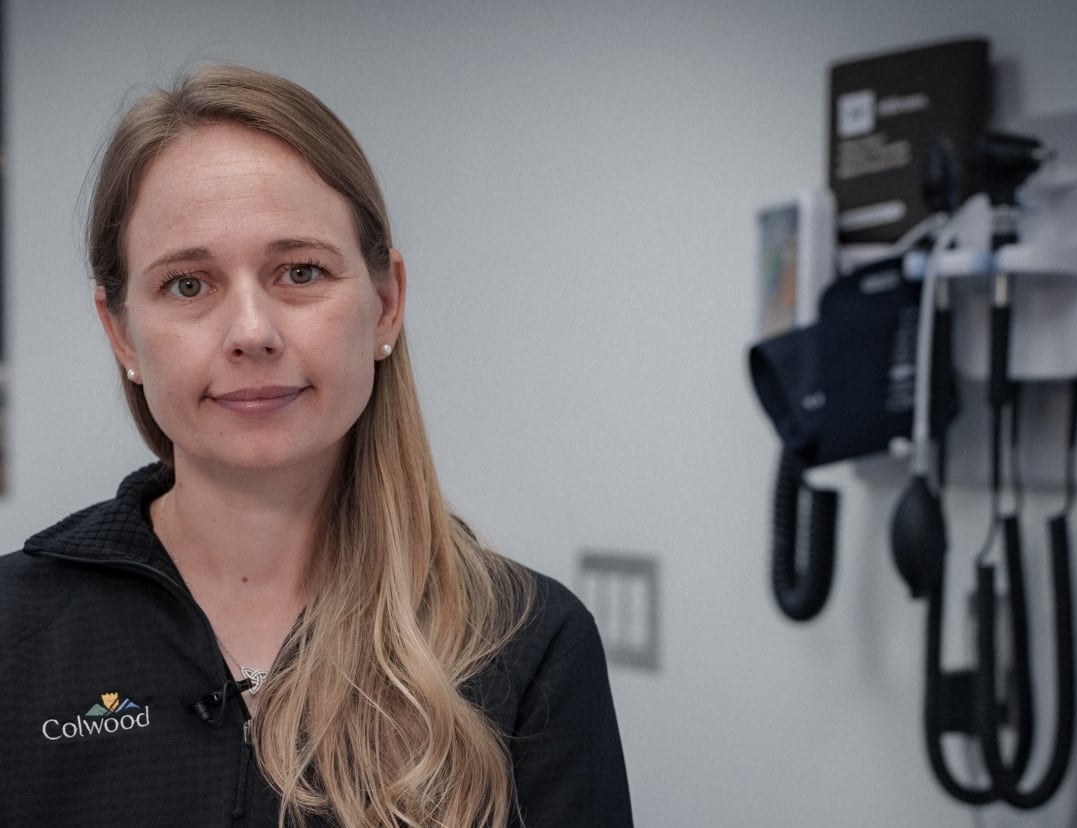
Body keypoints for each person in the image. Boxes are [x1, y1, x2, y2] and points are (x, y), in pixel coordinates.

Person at [0, 64, 632, 828]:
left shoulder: (528, 644)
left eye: (299, 271)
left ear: (386, 305)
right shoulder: (16, 633)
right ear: (120, 332)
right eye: (188, 286)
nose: (252, 334)